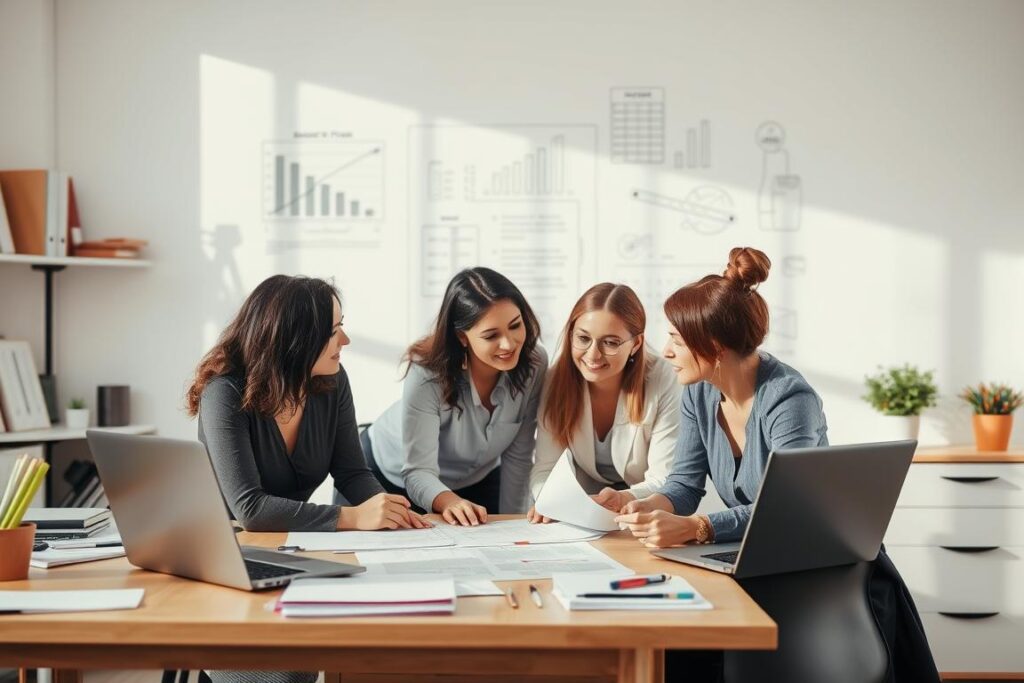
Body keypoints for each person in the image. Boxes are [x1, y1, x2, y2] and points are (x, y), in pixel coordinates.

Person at [615, 246, 827, 546]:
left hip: (811, 558)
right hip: (754, 553)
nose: (666, 351)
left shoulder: (790, 400)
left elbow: (787, 509)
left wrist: (698, 527)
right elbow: (685, 485)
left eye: (677, 340)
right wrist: (649, 506)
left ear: (715, 347)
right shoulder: (698, 392)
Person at [186, 275, 428, 533]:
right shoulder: (224, 394)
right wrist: (353, 517)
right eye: (333, 331)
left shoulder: (332, 381)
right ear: (294, 340)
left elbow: (353, 474)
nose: (345, 340)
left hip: (290, 542)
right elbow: (251, 510)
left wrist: (393, 515)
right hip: (224, 546)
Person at [366, 267, 547, 526]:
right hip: (392, 476)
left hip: (475, 478)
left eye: (515, 326)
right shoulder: (427, 373)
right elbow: (418, 471)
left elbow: (518, 458)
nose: (508, 344)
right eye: (491, 335)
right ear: (462, 337)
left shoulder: (534, 363)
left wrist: (516, 528)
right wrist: (449, 501)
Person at [527, 283, 680, 523]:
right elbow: (545, 468)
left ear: (636, 344)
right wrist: (551, 500)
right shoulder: (556, 379)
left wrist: (624, 498)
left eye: (610, 342)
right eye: (583, 338)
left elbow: (665, 478)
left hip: (646, 510)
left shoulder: (664, 378)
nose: (593, 354)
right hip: (581, 511)